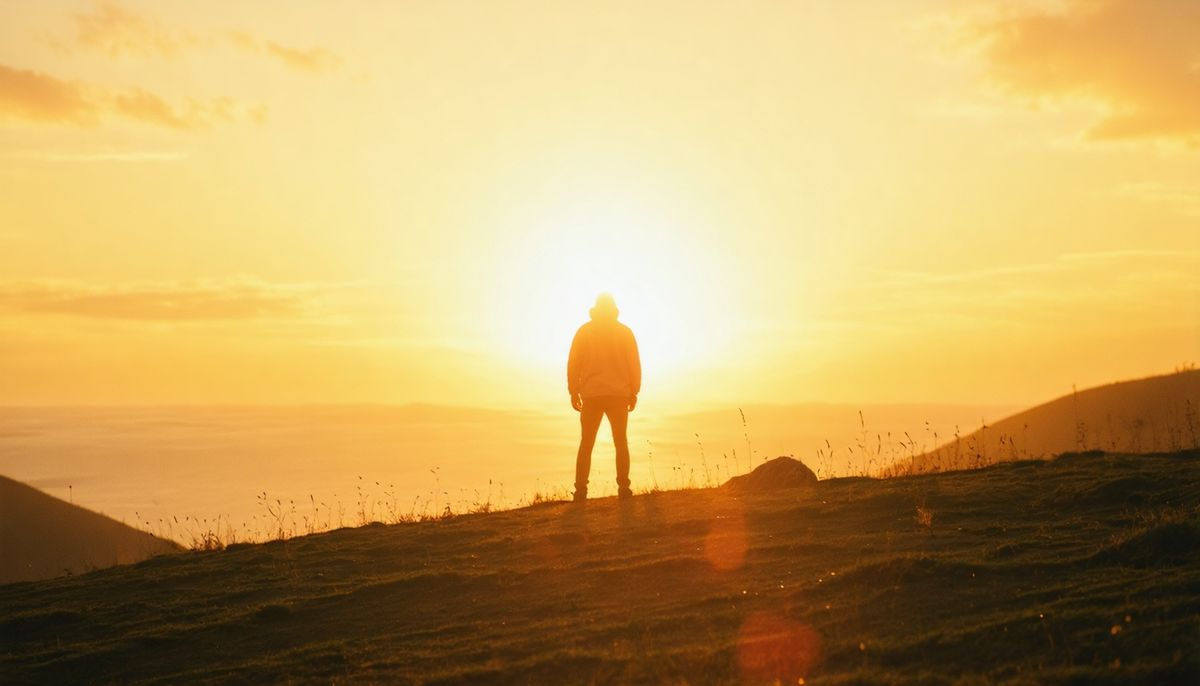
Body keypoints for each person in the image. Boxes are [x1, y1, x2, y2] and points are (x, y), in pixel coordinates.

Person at [567, 293, 641, 502]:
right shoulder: (624, 332)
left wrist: (574, 390)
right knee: (621, 442)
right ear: (614, 309)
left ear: (596, 309)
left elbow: (574, 363)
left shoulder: (585, 331)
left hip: (591, 394)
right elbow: (633, 363)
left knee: (586, 444)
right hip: (618, 394)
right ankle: (624, 488)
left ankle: (580, 491)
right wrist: (634, 391)